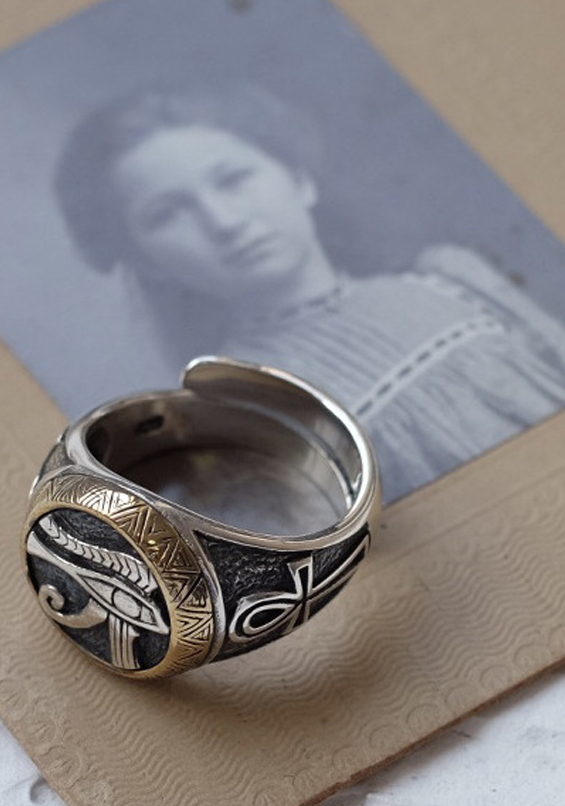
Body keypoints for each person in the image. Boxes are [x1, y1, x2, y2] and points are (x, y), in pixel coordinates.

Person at [54, 82, 565, 504]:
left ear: (300, 180)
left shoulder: (453, 279)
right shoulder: (236, 409)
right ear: (147, 261)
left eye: (233, 180)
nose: (223, 222)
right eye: (167, 213)